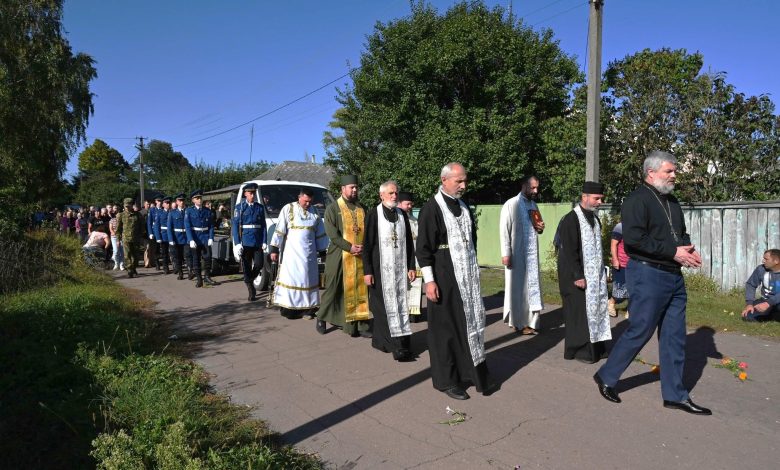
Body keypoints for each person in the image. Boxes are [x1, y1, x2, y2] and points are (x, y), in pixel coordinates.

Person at [595, 151, 711, 415]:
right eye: (669, 171)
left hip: (673, 276)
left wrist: (686, 249)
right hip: (647, 274)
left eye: (674, 171)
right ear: (651, 172)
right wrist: (673, 251)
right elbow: (635, 240)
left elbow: (680, 233)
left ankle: (675, 395)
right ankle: (607, 376)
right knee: (641, 329)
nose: (674, 175)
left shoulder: (672, 201)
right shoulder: (636, 200)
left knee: (674, 337)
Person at [417, 162, 496, 400]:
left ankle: (470, 371)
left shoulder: (464, 206)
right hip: (443, 275)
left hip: (467, 277)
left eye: (464, 181)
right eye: (458, 181)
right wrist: (429, 281)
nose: (463, 185)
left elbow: (471, 241)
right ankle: (446, 380)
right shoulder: (431, 209)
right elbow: (423, 250)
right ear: (444, 180)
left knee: (467, 324)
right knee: (445, 330)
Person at [557, 181, 611, 363]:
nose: (599, 202)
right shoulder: (571, 219)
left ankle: (597, 348)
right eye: (596, 198)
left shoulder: (595, 219)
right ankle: (580, 350)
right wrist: (577, 275)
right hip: (577, 277)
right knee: (579, 314)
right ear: (584, 197)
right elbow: (568, 251)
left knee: (597, 309)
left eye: (601, 199)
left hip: (595, 276)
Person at [363, 181, 416, 362]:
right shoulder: (373, 215)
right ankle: (396, 346)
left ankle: (391, 342)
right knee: (383, 308)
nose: (395, 196)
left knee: (400, 305)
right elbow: (368, 245)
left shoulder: (402, 215)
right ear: (382, 195)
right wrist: (367, 271)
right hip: (380, 270)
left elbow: (409, 243)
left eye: (396, 193)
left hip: (400, 271)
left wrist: (411, 266)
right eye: (391, 193)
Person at [317, 175, 372, 337]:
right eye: (351, 187)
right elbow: (332, 234)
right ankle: (321, 317)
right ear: (343, 189)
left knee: (358, 290)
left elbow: (368, 231)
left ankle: (359, 325)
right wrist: (349, 247)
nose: (355, 190)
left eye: (356, 187)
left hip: (360, 256)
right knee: (333, 288)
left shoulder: (362, 208)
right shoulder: (333, 209)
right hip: (339, 256)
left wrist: (365, 247)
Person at [269, 187, 328, 315]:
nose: (308, 204)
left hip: (309, 255)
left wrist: (323, 251)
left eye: (310, 201)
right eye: (305, 201)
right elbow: (279, 230)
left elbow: (320, 233)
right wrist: (274, 249)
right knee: (292, 281)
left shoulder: (315, 212)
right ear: (299, 197)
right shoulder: (288, 209)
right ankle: (288, 308)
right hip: (292, 256)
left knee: (307, 281)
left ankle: (308, 308)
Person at [499, 175, 545, 335]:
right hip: (516, 254)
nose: (535, 191)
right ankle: (518, 323)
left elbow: (537, 227)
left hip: (531, 256)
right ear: (524, 186)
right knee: (517, 289)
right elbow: (504, 230)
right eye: (532, 188)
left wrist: (540, 227)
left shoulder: (533, 205)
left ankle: (531, 322)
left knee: (531, 288)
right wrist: (506, 253)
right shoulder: (511, 204)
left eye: (537, 188)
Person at [232, 183, 267, 301]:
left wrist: (264, 240)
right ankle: (251, 289)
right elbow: (235, 226)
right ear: (245, 193)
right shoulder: (240, 207)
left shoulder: (260, 207)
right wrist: (237, 243)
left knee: (259, 264)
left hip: (257, 241)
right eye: (250, 193)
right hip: (245, 241)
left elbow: (263, 226)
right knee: (246, 266)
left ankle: (248, 279)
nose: (253, 195)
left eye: (254, 193)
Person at [398, 191, 424, 322]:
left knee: (416, 285)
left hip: (416, 259)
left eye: (411, 204)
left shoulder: (414, 221)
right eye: (407, 204)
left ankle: (414, 313)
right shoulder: (397, 220)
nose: (410, 206)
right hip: (402, 259)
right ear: (399, 203)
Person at [185, 189, 218, 288]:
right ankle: (199, 279)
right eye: (197, 198)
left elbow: (211, 225)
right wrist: (190, 239)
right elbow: (187, 226)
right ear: (193, 200)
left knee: (207, 258)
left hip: (205, 237)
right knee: (196, 259)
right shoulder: (189, 211)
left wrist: (211, 237)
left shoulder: (207, 211)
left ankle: (207, 276)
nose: (199, 200)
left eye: (200, 198)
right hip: (195, 237)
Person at [741, 248, 780, 322]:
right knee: (748, 316)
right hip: (765, 300)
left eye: (766, 259)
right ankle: (771, 315)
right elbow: (750, 284)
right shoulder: (761, 269)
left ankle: (772, 315)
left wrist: (769, 303)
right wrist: (749, 304)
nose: (763, 261)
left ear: (776, 261)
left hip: (777, 302)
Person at [116, 198, 143, 278]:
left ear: (132, 205)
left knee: (135, 255)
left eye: (129, 206)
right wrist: (118, 239)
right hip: (125, 238)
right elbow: (118, 229)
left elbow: (142, 226)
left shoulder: (138, 215)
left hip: (135, 238)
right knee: (127, 255)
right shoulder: (121, 215)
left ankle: (134, 268)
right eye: (126, 206)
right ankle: (129, 270)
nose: (127, 207)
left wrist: (140, 236)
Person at [609, 221, 630, 318]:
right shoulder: (620, 226)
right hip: (621, 263)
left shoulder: (639, 225)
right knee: (619, 289)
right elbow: (613, 244)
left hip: (634, 264)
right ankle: (611, 304)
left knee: (633, 288)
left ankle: (630, 310)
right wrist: (615, 259)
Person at [168, 193, 188, 280]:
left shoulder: (188, 211)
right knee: (178, 257)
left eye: (183, 200)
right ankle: (180, 273)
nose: (182, 202)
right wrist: (171, 239)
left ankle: (190, 271)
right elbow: (169, 227)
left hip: (187, 237)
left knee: (188, 255)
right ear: (176, 202)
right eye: (180, 200)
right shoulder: (172, 213)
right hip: (177, 238)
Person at [154, 196, 172, 274]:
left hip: (172, 235)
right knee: (164, 253)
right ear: (163, 204)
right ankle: (165, 267)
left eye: (169, 203)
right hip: (164, 235)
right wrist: (158, 237)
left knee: (173, 252)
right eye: (166, 203)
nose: (168, 204)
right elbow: (156, 226)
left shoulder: (172, 212)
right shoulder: (160, 213)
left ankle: (175, 266)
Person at [146, 195, 162, 270]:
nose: (160, 202)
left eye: (161, 201)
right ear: (155, 201)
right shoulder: (152, 210)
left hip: (163, 231)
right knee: (156, 248)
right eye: (158, 201)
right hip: (155, 232)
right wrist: (150, 233)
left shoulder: (163, 209)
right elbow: (149, 222)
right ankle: (157, 263)